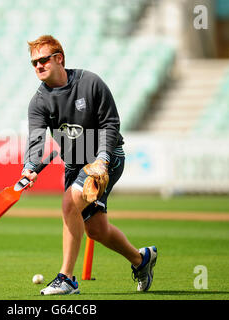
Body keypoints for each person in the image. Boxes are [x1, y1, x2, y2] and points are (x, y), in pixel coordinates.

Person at [22, 35, 157, 295]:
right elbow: (36, 140)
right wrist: (30, 166)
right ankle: (142, 261)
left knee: (68, 203)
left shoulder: (90, 83)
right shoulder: (38, 102)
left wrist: (103, 160)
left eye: (43, 60)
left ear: (58, 58)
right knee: (96, 230)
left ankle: (67, 279)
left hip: (107, 157)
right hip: (75, 164)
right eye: (34, 63)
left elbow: (110, 124)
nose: (38, 66)